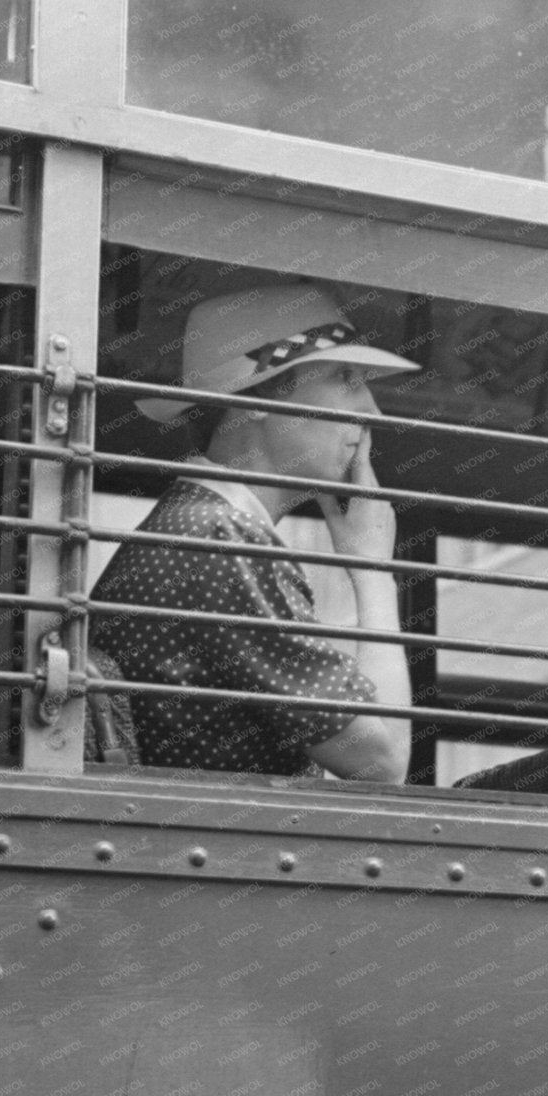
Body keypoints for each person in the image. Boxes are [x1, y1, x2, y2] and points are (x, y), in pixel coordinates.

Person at [92, 285, 417, 784]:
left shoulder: (201, 526)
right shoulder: (222, 541)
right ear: (261, 397)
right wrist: (373, 571)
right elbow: (382, 762)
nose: (373, 412)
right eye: (346, 378)